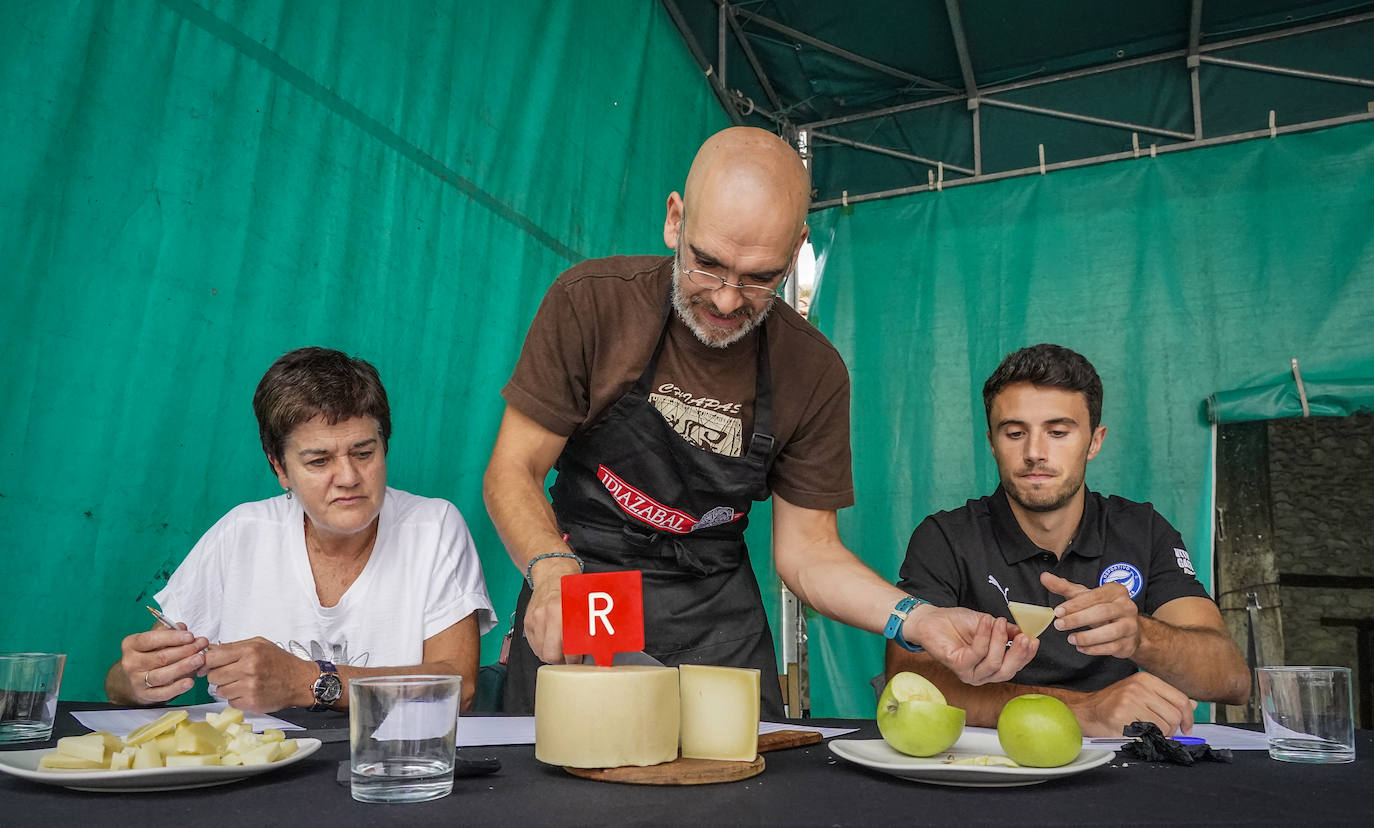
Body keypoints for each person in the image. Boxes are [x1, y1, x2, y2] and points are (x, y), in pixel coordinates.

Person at [484, 126, 1037, 717]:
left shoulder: (813, 371)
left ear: (798, 249)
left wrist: (917, 619)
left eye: (759, 277)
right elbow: (513, 469)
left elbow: (808, 551)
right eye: (708, 264)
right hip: (584, 582)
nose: (726, 301)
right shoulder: (591, 304)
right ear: (676, 220)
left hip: (713, 607)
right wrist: (550, 567)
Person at [888, 344, 1250, 736]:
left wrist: (1141, 636)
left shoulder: (1142, 530)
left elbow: (1231, 678)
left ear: (1095, 441)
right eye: (1014, 433)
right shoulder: (946, 536)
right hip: (988, 765)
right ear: (992, 442)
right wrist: (1086, 710)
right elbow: (906, 678)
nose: (1035, 453)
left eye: (1058, 432)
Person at [106, 347, 496, 712]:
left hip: (383, 769)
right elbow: (119, 684)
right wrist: (139, 677)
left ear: (385, 446)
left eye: (364, 453)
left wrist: (309, 680)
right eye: (319, 460)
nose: (347, 477)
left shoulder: (432, 526)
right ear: (279, 469)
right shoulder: (243, 532)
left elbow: (458, 686)